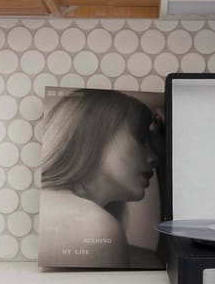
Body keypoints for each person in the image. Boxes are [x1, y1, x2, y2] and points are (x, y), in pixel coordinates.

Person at [39, 88, 164, 268]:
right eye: (142, 139)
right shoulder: (95, 227)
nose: (155, 159)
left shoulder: (65, 212)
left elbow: (159, 264)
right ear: (93, 132)